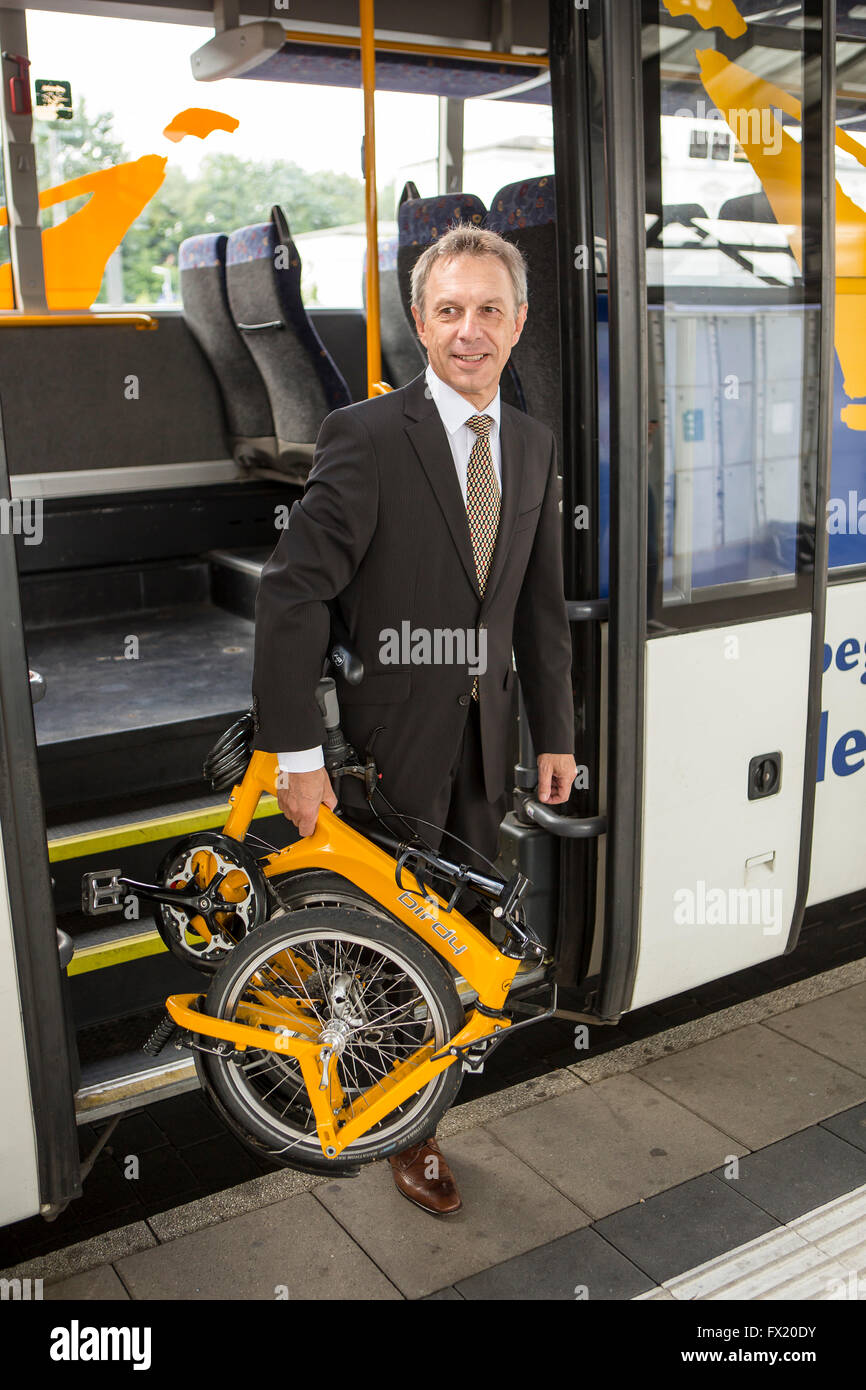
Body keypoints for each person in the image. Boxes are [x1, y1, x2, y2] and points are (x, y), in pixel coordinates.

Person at [251, 223, 576, 1216]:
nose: (467, 331)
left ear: (517, 323)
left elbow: (534, 604)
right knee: (396, 943)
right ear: (419, 322)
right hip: (388, 746)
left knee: (463, 927)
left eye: (487, 310)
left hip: (490, 742)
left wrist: (554, 730)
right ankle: (407, 1130)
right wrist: (296, 751)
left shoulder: (529, 440)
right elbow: (293, 594)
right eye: (448, 310)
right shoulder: (364, 434)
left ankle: (423, 1097)